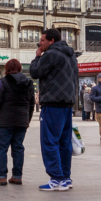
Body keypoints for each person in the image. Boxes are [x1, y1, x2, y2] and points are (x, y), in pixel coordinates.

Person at [30, 28, 78, 191]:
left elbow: (35, 72)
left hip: (52, 102)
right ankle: (65, 177)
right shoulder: (70, 55)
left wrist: (37, 57)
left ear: (51, 41)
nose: (39, 43)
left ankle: (56, 178)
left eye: (42, 40)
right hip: (67, 103)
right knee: (65, 143)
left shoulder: (51, 54)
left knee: (49, 141)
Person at [0, 59, 34, 186]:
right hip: (21, 121)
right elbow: (31, 104)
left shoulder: (3, 82)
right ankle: (17, 176)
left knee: (1, 149)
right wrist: (27, 119)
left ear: (7, 69)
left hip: (4, 121)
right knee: (18, 148)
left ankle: (1, 176)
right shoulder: (28, 83)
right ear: (19, 68)